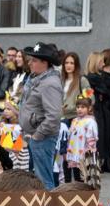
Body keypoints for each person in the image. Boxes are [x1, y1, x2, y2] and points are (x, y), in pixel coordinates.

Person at [20, 43, 64, 190]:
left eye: (34, 60)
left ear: (44, 63)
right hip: (36, 136)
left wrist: (37, 135)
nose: (29, 62)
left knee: (43, 180)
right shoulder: (39, 79)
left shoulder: (49, 83)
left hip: (42, 138)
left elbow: (54, 116)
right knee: (38, 180)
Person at [65, 96, 99, 182]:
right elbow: (70, 135)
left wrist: (89, 150)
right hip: (74, 152)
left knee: (84, 175)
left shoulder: (90, 121)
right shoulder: (74, 120)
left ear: (89, 108)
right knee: (76, 175)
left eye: (83, 107)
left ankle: (84, 193)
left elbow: (92, 137)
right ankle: (77, 191)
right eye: (78, 107)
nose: (79, 109)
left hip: (84, 153)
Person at [61, 52, 91, 123]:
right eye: (66, 63)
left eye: (72, 63)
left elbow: (90, 98)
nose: (68, 65)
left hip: (76, 118)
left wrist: (74, 106)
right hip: (61, 118)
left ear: (76, 65)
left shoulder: (82, 80)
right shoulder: (60, 80)